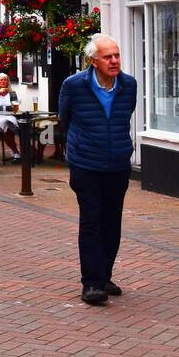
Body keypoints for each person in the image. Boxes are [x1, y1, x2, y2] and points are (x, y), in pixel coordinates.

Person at [58, 34, 138, 306]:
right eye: (108, 57)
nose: (114, 61)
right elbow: (64, 119)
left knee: (111, 222)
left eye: (116, 55)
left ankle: (104, 276)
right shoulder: (74, 85)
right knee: (91, 221)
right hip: (86, 165)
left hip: (117, 164)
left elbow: (126, 115)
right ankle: (91, 283)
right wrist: (79, 149)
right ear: (93, 61)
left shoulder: (129, 85)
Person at [0, 73, 21, 161]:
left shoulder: (12, 93)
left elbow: (14, 108)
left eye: (5, 80)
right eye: (1, 80)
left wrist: (3, 107)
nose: (3, 81)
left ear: (8, 82)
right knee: (6, 129)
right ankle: (15, 152)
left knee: (8, 127)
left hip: (10, 116)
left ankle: (15, 152)